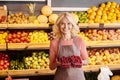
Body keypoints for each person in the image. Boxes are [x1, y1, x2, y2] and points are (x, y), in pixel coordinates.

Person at [49, 12, 88, 80]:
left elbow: (86, 61)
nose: (66, 27)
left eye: (69, 23)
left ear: (72, 25)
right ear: (58, 25)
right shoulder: (54, 42)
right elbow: (51, 67)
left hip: (78, 77)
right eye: (62, 24)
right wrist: (58, 63)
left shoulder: (79, 40)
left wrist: (80, 62)